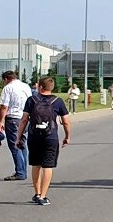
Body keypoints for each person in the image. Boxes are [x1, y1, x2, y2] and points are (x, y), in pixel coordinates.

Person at [15, 77, 71, 206]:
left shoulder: (31, 100)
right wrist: (67, 136)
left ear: (40, 87)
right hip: (50, 137)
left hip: (34, 136)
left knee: (36, 164)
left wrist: (18, 137)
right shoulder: (58, 101)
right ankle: (44, 195)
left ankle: (37, 193)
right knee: (48, 166)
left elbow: (24, 120)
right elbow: (66, 122)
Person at [0, 72, 32, 181]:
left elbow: (4, 106)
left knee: (14, 145)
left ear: (6, 79)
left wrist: (1, 121)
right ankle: (23, 169)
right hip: (25, 117)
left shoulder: (8, 88)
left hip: (13, 118)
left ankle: (20, 172)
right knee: (22, 144)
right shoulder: (25, 86)